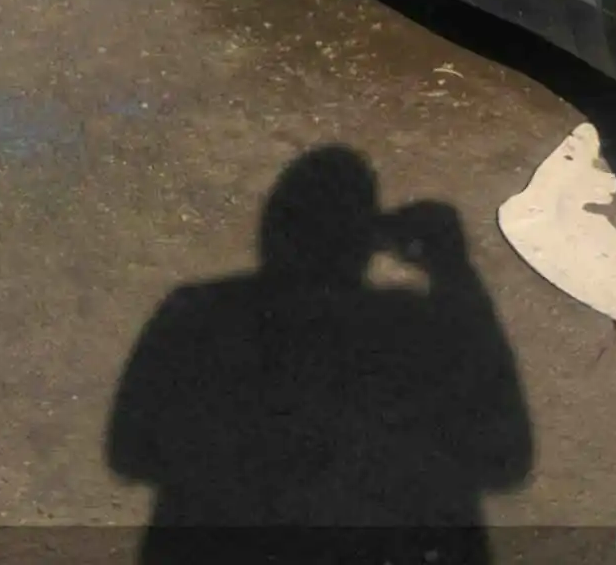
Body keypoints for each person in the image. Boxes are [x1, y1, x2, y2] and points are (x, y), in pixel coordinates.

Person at [107, 147, 532, 565]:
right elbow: (504, 457)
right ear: (367, 239)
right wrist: (454, 275)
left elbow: (130, 451)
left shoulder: (199, 318)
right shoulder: (413, 330)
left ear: (272, 227)